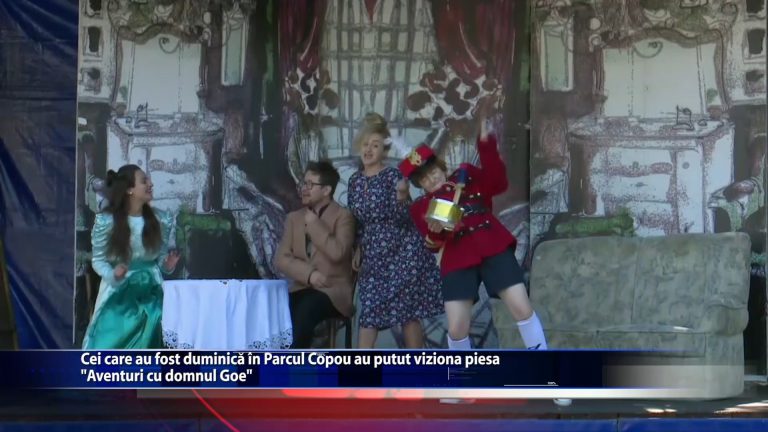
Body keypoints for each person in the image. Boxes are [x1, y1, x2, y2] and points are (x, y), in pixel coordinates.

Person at [399, 121, 571, 406]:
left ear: (440, 166)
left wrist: (486, 143)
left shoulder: (467, 176)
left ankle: (549, 379)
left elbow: (498, 182)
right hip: (458, 258)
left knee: (522, 309)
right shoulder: (421, 207)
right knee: (457, 328)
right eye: (423, 179)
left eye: (432, 171)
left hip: (492, 246)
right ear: (419, 185)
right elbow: (433, 242)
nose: (431, 179)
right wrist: (439, 227)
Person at [347, 113, 443, 349]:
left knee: (407, 314)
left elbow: (405, 218)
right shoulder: (354, 181)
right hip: (373, 255)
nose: (369, 149)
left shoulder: (393, 176)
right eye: (366, 144)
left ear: (384, 151)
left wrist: (401, 197)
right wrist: (357, 246)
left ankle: (416, 368)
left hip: (403, 252)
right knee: (369, 313)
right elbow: (356, 220)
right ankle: (360, 368)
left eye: (375, 145)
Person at [83, 164, 179, 349]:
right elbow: (98, 260)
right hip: (119, 290)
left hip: (151, 289)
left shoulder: (161, 219)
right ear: (129, 189)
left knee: (156, 315)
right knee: (115, 331)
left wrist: (168, 264)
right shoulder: (107, 221)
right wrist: (113, 275)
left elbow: (160, 259)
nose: (150, 184)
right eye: (144, 181)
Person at [275, 160, 356, 348]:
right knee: (278, 308)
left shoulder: (343, 217)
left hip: (333, 291)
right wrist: (309, 274)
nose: (304, 189)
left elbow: (338, 252)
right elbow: (281, 258)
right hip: (301, 288)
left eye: (310, 184)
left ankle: (296, 362)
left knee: (306, 308)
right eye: (304, 183)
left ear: (326, 190)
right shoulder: (294, 218)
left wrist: (314, 225)